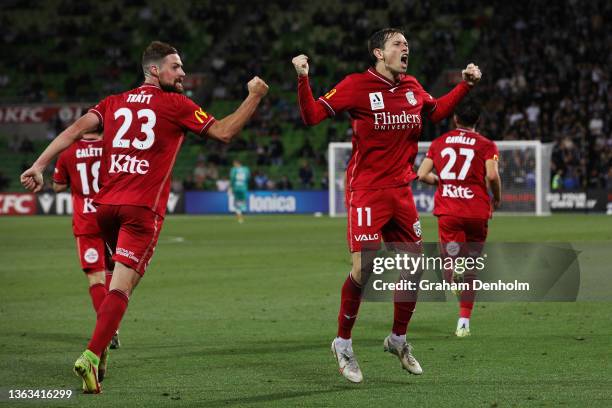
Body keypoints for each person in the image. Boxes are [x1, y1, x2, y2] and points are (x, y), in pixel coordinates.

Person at [21, 40, 268, 393]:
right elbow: (225, 132)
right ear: (155, 70)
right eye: (176, 67)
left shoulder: (112, 102)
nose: (182, 73)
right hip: (140, 209)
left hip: (104, 209)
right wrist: (254, 96)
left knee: (119, 284)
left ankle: (102, 345)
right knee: (122, 286)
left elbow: (74, 131)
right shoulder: (175, 104)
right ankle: (91, 354)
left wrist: (39, 164)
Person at [292, 27, 481, 383]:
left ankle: (398, 339)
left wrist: (465, 85)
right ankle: (342, 342)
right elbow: (312, 116)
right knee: (365, 268)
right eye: (397, 44)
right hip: (366, 189)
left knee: (415, 266)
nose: (405, 47)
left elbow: (437, 110)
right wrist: (304, 80)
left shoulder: (412, 87)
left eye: (407, 43)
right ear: (379, 53)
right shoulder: (355, 85)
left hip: (401, 191)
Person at [417, 97, 501, 337]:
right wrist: (496, 197)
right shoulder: (486, 145)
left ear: (455, 119)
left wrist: (442, 182)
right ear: (478, 121)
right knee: (473, 267)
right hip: (476, 210)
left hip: (449, 211)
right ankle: (463, 322)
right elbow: (492, 176)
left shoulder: (439, 143)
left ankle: (455, 270)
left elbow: (422, 174)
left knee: (450, 265)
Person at [52, 131, 118, 382]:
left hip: (87, 221)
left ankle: (107, 328)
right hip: (113, 216)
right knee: (117, 273)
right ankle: (113, 324)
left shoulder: (68, 151)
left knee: (96, 279)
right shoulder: (113, 146)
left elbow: (58, 186)